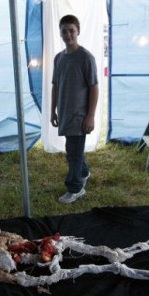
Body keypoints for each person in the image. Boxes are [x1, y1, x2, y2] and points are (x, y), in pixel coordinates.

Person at [50, 14, 99, 204]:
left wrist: (91, 116)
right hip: (64, 112)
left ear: (78, 31)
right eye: (64, 31)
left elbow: (94, 87)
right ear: (60, 33)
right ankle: (84, 172)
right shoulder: (58, 58)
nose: (68, 34)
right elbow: (55, 85)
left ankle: (75, 188)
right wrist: (53, 110)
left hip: (79, 114)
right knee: (75, 148)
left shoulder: (86, 58)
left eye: (71, 30)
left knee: (73, 151)